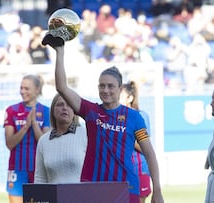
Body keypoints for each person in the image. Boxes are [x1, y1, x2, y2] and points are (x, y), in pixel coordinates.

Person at [47, 42, 164, 203]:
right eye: (102, 86)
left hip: (126, 186)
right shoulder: (90, 111)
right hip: (93, 186)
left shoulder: (134, 117)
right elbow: (62, 87)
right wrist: (60, 52)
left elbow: (150, 154)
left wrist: (157, 190)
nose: (105, 90)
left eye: (110, 86)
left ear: (120, 88)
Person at [4, 74, 50, 203]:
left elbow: (44, 144)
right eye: (21, 88)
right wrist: (25, 126)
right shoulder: (11, 110)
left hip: (39, 170)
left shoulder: (46, 111)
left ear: (37, 90)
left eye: (27, 88)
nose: (22, 91)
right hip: (17, 169)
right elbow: (9, 144)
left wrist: (34, 124)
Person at [34, 93, 87, 183]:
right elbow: (40, 178)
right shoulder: (43, 141)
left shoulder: (86, 135)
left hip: (80, 195)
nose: (64, 108)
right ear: (53, 111)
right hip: (53, 196)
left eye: (69, 105)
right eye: (60, 105)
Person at [120, 81, 152, 203]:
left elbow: (145, 147)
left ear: (130, 98)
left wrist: (127, 138)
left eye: (121, 95)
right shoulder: (117, 117)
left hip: (139, 169)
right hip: (122, 171)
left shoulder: (141, 116)